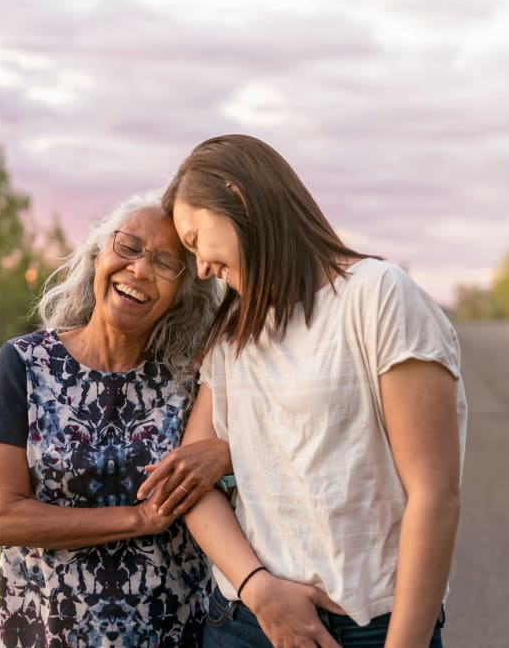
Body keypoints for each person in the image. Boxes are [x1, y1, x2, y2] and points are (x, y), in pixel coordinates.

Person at [156, 134, 468, 648]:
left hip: (370, 627)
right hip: (243, 621)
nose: (201, 268)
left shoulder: (378, 296)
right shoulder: (234, 332)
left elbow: (435, 496)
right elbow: (191, 484)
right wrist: (259, 590)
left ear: (237, 196)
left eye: (195, 241)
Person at [0, 191, 227, 647]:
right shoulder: (25, 363)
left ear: (183, 293)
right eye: (128, 246)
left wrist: (225, 453)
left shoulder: (195, 378)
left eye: (166, 264)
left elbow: (250, 451)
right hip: (49, 631)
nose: (140, 269)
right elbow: (2, 518)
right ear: (98, 255)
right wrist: (137, 518)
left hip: (173, 632)